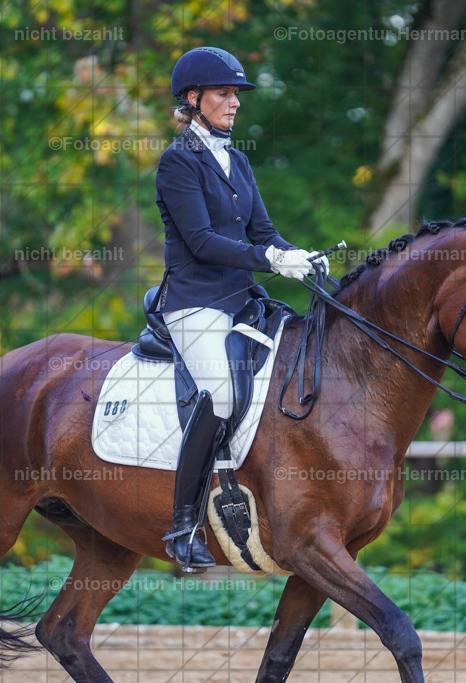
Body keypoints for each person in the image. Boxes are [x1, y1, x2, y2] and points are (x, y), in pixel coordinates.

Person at [154, 46, 327, 571]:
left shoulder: (239, 160)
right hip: (195, 303)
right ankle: (183, 525)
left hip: (243, 302)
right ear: (194, 99)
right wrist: (270, 259)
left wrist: (302, 259)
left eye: (237, 95)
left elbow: (264, 233)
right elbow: (203, 242)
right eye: (225, 94)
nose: (235, 102)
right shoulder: (177, 161)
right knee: (223, 394)